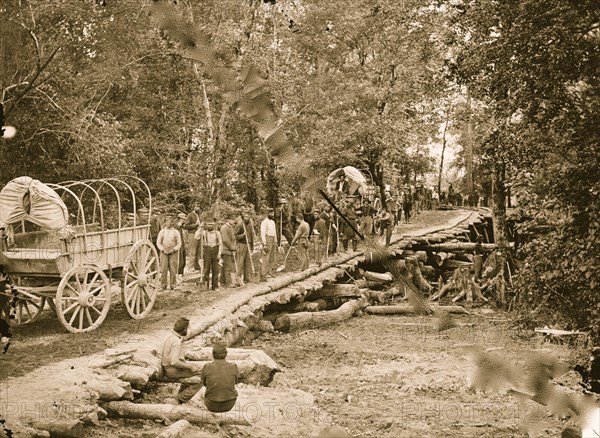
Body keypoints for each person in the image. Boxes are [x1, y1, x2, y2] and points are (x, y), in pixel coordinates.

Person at [160, 317, 202, 404]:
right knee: (201, 377)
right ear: (184, 329)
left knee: (190, 370)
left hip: (166, 367)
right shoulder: (176, 341)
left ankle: (180, 395)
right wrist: (190, 366)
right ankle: (180, 399)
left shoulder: (169, 335)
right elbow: (174, 362)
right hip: (171, 370)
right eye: (187, 328)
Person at [201, 340, 239, 413]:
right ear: (226, 354)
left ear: (213, 354)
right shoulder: (233, 367)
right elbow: (235, 382)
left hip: (211, 406)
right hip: (229, 405)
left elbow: (205, 384)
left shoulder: (206, 367)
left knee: (201, 394)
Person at [156, 215, 182, 290]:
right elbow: (158, 243)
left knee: (173, 269)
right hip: (164, 252)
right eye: (167, 222)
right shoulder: (162, 231)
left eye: (170, 222)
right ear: (165, 223)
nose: (168, 223)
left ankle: (173, 285)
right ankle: (163, 285)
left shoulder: (176, 232)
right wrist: (162, 249)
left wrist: (174, 249)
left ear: (172, 223)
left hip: (173, 252)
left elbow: (179, 243)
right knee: (163, 269)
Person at [199, 218, 222, 291]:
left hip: (215, 250)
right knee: (206, 269)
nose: (209, 226)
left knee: (216, 270)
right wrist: (200, 228)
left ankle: (215, 286)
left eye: (211, 225)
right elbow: (196, 236)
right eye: (208, 224)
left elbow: (221, 244)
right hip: (207, 251)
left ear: (214, 225)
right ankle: (205, 286)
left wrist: (219, 254)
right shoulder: (204, 232)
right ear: (206, 225)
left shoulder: (217, 233)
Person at [234, 212, 254, 284]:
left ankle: (246, 278)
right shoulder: (240, 225)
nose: (247, 218)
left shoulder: (249, 225)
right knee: (240, 262)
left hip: (248, 245)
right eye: (245, 216)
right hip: (241, 245)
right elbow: (235, 236)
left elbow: (251, 236)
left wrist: (252, 246)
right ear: (243, 217)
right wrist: (243, 235)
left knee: (247, 262)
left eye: (248, 216)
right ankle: (238, 279)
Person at [220, 214, 239, 288]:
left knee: (224, 266)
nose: (234, 221)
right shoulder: (225, 228)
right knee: (228, 267)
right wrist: (232, 247)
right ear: (228, 220)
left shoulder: (230, 227)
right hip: (226, 249)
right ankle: (228, 282)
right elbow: (225, 239)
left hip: (229, 250)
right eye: (233, 220)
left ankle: (222, 281)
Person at [260, 208, 277, 281]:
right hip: (267, 240)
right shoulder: (264, 222)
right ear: (267, 214)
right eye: (271, 213)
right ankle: (264, 274)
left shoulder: (273, 222)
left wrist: (275, 241)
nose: (272, 215)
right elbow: (263, 233)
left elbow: (274, 232)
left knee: (272, 257)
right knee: (266, 257)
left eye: (273, 213)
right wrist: (264, 243)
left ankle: (271, 272)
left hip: (273, 240)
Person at [183, 204, 201, 273]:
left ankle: (196, 266)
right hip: (193, 234)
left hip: (199, 234)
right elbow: (186, 226)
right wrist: (195, 225)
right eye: (197, 207)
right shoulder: (190, 215)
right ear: (194, 207)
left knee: (198, 251)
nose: (198, 208)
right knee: (192, 251)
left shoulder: (199, 215)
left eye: (199, 207)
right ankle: (190, 267)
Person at [175, 213, 187, 282]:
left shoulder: (182, 226)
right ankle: (178, 275)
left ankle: (181, 274)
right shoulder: (177, 226)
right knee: (180, 260)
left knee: (184, 260)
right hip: (179, 244)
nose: (183, 221)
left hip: (183, 244)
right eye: (182, 219)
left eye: (184, 219)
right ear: (179, 219)